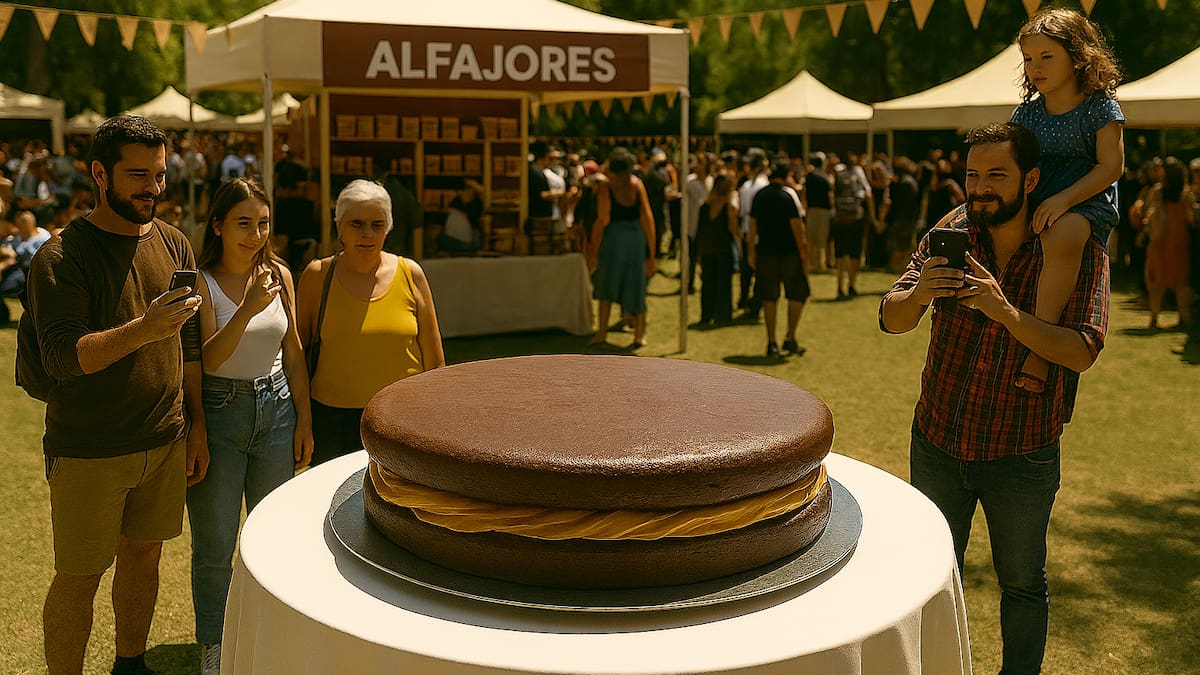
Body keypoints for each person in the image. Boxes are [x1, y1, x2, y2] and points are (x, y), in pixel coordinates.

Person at [881, 122, 1109, 675]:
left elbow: (1082, 350)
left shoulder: (1073, 241)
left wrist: (1004, 310)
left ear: (1031, 179)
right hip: (938, 440)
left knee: (1023, 584)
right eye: (972, 174)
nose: (980, 188)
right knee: (930, 576)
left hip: (1022, 452)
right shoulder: (951, 231)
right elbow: (891, 317)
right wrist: (920, 294)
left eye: (996, 175)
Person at [28, 115, 209, 675]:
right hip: (89, 449)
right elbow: (63, 357)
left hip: (164, 439)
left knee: (143, 558)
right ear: (100, 174)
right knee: (79, 577)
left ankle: (130, 665)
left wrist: (196, 425)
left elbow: (193, 345)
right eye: (138, 175)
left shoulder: (174, 241)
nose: (153, 187)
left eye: (159, 174)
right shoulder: (61, 256)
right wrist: (144, 330)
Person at [188, 178, 314, 674]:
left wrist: (304, 419)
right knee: (216, 546)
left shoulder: (280, 274)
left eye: (263, 224)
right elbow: (207, 358)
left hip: (277, 408)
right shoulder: (202, 281)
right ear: (217, 226)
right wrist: (246, 311)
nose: (255, 234)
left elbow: (295, 351)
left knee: (272, 539)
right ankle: (214, 650)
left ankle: (272, 643)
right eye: (243, 223)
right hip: (220, 412)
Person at [1009, 7, 1124, 392]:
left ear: (1078, 59)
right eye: (1028, 58)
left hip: (1085, 200)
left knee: (1064, 233)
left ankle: (1040, 347)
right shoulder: (1025, 115)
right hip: (1035, 198)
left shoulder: (1099, 107)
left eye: (1046, 57)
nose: (1035, 67)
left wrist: (1061, 201)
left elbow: (1111, 167)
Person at [297, 179, 445, 465]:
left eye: (377, 224)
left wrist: (434, 421)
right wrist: (303, 420)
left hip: (402, 419)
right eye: (356, 223)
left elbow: (435, 362)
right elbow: (298, 357)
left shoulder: (411, 274)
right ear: (338, 224)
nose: (367, 233)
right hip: (332, 422)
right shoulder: (318, 276)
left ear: (389, 226)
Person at [586, 147, 657, 348]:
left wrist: (593, 249)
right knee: (636, 285)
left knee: (606, 283)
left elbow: (602, 220)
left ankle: (601, 333)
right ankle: (639, 335)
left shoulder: (605, 188)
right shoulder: (637, 185)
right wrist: (652, 253)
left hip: (614, 240)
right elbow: (647, 220)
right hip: (635, 240)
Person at [749, 161, 809, 357]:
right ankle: (790, 337)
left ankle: (771, 341)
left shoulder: (760, 196)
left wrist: (751, 251)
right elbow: (797, 227)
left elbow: (752, 227)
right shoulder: (786, 196)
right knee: (798, 294)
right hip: (788, 253)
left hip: (765, 252)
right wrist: (803, 252)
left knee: (769, 297)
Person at [1136, 157, 1193, 330]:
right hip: (1180, 241)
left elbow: (1148, 214)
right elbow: (1190, 218)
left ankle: (1154, 318)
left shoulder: (1157, 192)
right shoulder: (1186, 194)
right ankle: (1184, 317)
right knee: (1180, 280)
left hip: (1159, 241)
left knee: (1156, 281)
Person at [694, 172, 740, 327]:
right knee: (723, 284)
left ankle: (706, 314)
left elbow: (700, 230)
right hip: (723, 248)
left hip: (707, 248)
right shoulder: (729, 207)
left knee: (707, 283)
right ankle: (723, 314)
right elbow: (733, 229)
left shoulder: (704, 206)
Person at [831, 156, 874, 299]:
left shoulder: (838, 175)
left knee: (840, 254)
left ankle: (839, 287)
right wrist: (872, 217)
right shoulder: (859, 173)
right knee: (855, 254)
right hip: (856, 220)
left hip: (840, 220)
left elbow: (832, 194)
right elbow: (868, 195)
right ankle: (851, 285)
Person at [0, 209, 51, 322]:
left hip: (32, 273)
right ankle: (2, 315)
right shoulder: (16, 239)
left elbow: (42, 259)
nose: (20, 226)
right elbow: (6, 249)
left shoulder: (42, 239)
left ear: (30, 224)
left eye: (23, 223)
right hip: (15, 271)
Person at [802, 152, 834, 273]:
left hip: (811, 210)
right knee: (822, 239)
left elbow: (804, 192)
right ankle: (820, 264)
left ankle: (810, 264)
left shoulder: (809, 176)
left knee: (811, 239)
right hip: (824, 211)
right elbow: (830, 195)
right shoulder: (825, 177)